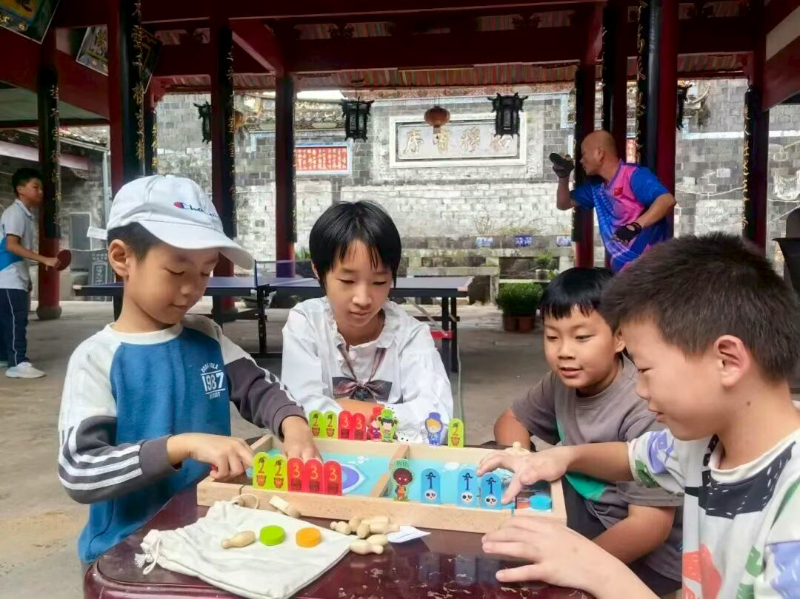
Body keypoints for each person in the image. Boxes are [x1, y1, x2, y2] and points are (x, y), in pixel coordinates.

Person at [479, 234, 800, 599]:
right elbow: (632, 457)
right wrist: (563, 456)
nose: (641, 389)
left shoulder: (792, 510)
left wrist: (593, 568)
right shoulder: (704, 444)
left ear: (726, 361)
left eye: (645, 369)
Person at [57, 175, 319, 565]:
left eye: (205, 272)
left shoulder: (206, 337)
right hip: (128, 551)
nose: (192, 289)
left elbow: (260, 388)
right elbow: (80, 471)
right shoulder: (97, 358)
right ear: (122, 258)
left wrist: (292, 423)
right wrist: (181, 446)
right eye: (177, 272)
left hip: (208, 532)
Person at [493, 267, 682, 595]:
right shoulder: (562, 380)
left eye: (582, 337)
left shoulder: (645, 406)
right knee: (492, 469)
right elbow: (511, 421)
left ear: (620, 337)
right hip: (584, 505)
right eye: (552, 337)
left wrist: (575, 562)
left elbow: (649, 527)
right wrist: (522, 461)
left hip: (643, 550)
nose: (564, 351)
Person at [281, 201, 453, 443]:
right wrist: (394, 417)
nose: (363, 299)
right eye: (348, 281)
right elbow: (298, 410)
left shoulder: (411, 335)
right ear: (318, 271)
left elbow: (437, 418)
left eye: (379, 282)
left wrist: (341, 408)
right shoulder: (306, 322)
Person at [552, 131, 676, 272]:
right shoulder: (596, 187)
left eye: (584, 154)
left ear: (599, 153)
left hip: (652, 269)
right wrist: (563, 177)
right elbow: (563, 204)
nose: (581, 160)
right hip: (623, 272)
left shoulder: (633, 175)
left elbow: (666, 200)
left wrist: (635, 226)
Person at [0, 168, 60, 378]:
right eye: (35, 187)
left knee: (7, 320)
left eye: (41, 188)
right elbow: (11, 245)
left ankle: (5, 357)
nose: (40, 191)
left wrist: (26, 279)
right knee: (16, 320)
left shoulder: (21, 213)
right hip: (8, 277)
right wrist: (44, 259)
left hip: (11, 277)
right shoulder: (15, 213)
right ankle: (18, 363)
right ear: (20, 189)